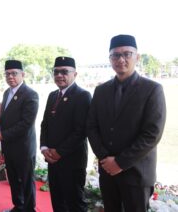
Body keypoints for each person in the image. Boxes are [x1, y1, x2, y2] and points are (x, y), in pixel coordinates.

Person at [87, 34, 166, 212]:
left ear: (137, 57)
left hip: (136, 173)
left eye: (127, 54)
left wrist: (120, 162)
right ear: (110, 59)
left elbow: (152, 133)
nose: (121, 59)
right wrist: (105, 158)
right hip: (107, 170)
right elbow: (91, 126)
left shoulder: (152, 89)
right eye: (115, 55)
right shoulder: (101, 90)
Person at [40, 57, 91, 212]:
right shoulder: (52, 95)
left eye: (64, 72)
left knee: (75, 202)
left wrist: (59, 152)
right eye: (56, 72)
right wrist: (44, 148)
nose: (60, 75)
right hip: (52, 159)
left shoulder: (83, 96)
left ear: (74, 74)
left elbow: (81, 131)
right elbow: (45, 125)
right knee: (57, 200)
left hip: (72, 160)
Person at [0, 60, 39, 212]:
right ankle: (18, 207)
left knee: (26, 181)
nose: (10, 77)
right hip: (9, 146)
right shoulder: (7, 93)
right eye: (7, 74)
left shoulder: (30, 94)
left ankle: (29, 209)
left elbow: (26, 123)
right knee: (13, 179)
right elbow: (6, 119)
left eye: (14, 73)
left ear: (23, 75)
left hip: (23, 147)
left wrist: (2, 135)